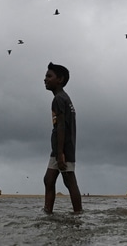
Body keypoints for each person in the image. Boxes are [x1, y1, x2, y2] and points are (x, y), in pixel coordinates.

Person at [43, 62, 83, 214]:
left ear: (60, 79)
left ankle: (78, 214)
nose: (45, 79)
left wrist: (60, 153)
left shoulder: (59, 99)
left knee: (69, 180)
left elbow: (61, 126)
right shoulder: (65, 98)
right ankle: (48, 213)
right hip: (61, 147)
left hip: (63, 148)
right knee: (49, 179)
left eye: (49, 76)